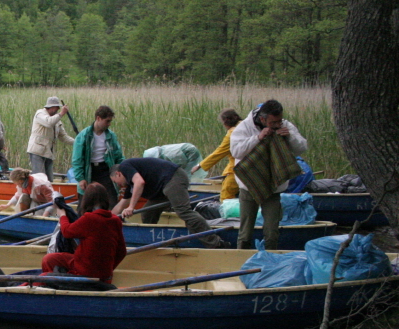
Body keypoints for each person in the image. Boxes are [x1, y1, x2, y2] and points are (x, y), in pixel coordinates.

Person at [230, 99, 308, 250]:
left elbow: (302, 147)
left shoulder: (284, 124)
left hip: (274, 185)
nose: (277, 124)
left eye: (279, 120)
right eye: (273, 122)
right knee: (245, 231)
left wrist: (289, 137)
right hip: (249, 184)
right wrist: (258, 138)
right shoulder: (245, 127)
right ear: (262, 119)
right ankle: (240, 258)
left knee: (272, 231)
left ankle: (270, 258)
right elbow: (236, 151)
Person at [110, 158, 227, 248]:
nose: (119, 185)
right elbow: (121, 205)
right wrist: (109, 218)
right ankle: (151, 242)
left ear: (118, 174)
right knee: (148, 213)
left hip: (173, 178)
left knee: (184, 212)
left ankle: (216, 242)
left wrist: (131, 207)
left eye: (116, 182)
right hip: (162, 189)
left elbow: (139, 182)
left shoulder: (125, 166)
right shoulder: (129, 183)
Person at [40, 184, 126, 287]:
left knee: (44, 276)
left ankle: (56, 287)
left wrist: (62, 215)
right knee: (49, 259)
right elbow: (122, 252)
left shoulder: (89, 218)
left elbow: (67, 231)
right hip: (102, 273)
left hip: (83, 271)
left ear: (87, 200)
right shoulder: (115, 220)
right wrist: (108, 269)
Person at [71, 105, 125, 200]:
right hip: (89, 171)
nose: (109, 124)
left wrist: (121, 172)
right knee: (85, 203)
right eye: (107, 121)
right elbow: (77, 160)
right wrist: (80, 178)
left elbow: (119, 156)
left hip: (106, 170)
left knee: (111, 200)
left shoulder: (111, 136)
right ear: (98, 118)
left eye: (110, 121)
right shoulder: (83, 136)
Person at [191, 108, 242, 201]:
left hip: (238, 169)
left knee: (226, 195)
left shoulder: (233, 133)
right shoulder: (246, 125)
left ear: (225, 122)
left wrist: (199, 165)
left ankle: (230, 213)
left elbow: (219, 152)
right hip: (253, 168)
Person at [26, 96, 75, 179]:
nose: (58, 110)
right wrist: (62, 113)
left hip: (48, 152)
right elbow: (48, 122)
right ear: (51, 107)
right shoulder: (40, 114)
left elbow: (63, 137)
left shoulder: (56, 120)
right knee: (40, 178)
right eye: (57, 108)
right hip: (37, 152)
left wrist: (78, 142)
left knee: (49, 178)